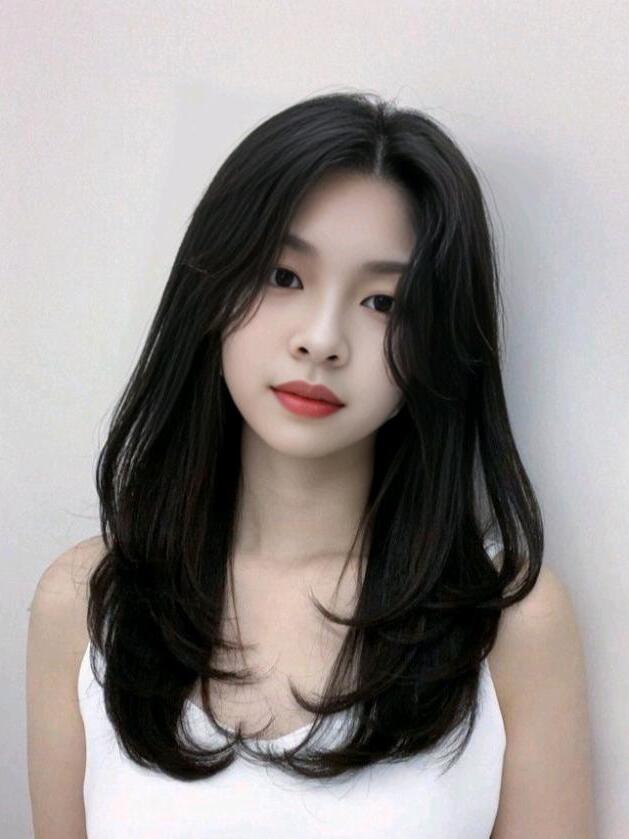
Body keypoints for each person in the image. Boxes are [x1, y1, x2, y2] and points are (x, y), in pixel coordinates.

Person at [26, 91, 595, 837]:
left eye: (383, 302)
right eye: (285, 277)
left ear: (435, 343)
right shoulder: (86, 604)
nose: (322, 340)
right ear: (212, 288)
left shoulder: (511, 622)